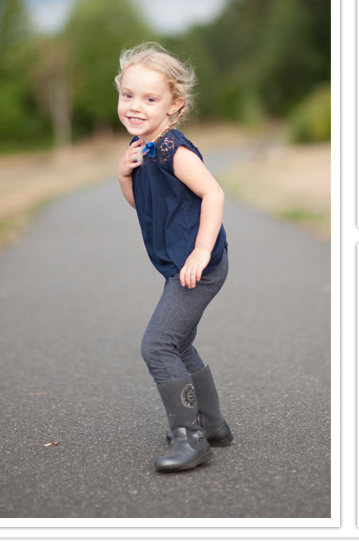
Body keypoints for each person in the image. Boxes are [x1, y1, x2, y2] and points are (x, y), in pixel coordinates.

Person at [116, 42, 231, 473]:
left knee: (158, 345)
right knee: (179, 343)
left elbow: (213, 193)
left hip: (199, 267)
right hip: (178, 266)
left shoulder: (172, 151)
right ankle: (214, 425)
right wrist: (124, 174)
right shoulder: (141, 148)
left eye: (150, 98)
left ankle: (190, 436)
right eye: (128, 95)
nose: (135, 106)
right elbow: (140, 206)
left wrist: (201, 251)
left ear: (174, 106)